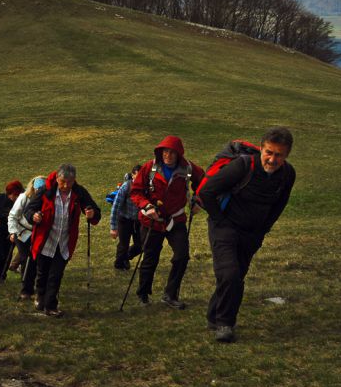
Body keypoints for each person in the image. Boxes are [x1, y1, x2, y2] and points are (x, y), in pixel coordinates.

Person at [199, 127, 296, 343]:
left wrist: (263, 230)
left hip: (252, 233)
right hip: (225, 228)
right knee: (229, 274)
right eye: (268, 152)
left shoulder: (288, 175)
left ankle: (214, 315)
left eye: (278, 154)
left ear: (287, 154)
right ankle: (225, 323)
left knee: (236, 276)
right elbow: (206, 192)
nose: (272, 159)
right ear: (261, 149)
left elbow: (280, 204)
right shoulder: (243, 166)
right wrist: (219, 220)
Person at [129, 135, 205, 309]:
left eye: (171, 152)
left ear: (179, 154)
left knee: (182, 256)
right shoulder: (149, 167)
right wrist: (146, 205)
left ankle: (170, 294)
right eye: (164, 151)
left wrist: (199, 199)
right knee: (150, 258)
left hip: (176, 220)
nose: (167, 155)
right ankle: (143, 294)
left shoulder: (188, 168)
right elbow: (136, 191)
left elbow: (204, 181)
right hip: (152, 221)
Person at [25, 165, 100, 317]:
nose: (66, 186)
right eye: (63, 182)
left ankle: (51, 306)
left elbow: (95, 211)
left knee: (56, 274)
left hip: (64, 242)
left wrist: (92, 214)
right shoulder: (46, 191)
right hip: (45, 240)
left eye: (70, 182)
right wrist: (34, 216)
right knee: (42, 272)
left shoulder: (79, 192)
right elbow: (29, 210)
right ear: (57, 179)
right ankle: (40, 295)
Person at [10, 176, 45, 297]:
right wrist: (13, 231)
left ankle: (35, 286)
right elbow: (13, 215)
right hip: (22, 232)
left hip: (37, 233)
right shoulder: (24, 197)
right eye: (36, 189)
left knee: (36, 260)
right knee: (26, 260)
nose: (38, 192)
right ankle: (26, 289)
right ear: (33, 188)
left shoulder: (45, 198)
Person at [0, 180, 24, 280]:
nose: (13, 198)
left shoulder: (21, 202)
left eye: (16, 195)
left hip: (11, 232)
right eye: (12, 195)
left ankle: (2, 275)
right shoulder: (0, 198)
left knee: (7, 253)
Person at [110, 165, 143, 270]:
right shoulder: (126, 187)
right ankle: (119, 265)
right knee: (123, 245)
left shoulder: (145, 187)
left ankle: (126, 258)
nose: (139, 179)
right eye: (137, 176)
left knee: (140, 245)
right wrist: (113, 227)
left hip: (138, 221)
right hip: (124, 220)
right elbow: (116, 207)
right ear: (132, 175)